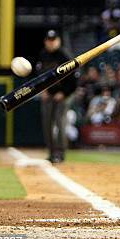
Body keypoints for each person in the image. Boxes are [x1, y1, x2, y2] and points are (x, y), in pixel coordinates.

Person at [36, 30, 77, 163]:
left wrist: (64, 93)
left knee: (60, 122)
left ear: (58, 41)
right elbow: (40, 77)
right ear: (45, 41)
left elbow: (74, 78)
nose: (51, 42)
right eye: (49, 40)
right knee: (47, 124)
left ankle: (60, 153)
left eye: (53, 40)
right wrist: (43, 90)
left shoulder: (64, 55)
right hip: (49, 94)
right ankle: (51, 153)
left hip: (64, 94)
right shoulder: (43, 55)